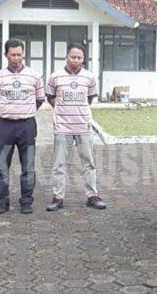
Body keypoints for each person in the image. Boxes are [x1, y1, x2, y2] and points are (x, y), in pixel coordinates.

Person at [45, 43, 105, 211]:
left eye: (79, 57)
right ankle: (58, 198)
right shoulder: (55, 77)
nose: (76, 60)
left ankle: (92, 196)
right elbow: (51, 98)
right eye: (73, 57)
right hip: (62, 128)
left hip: (84, 127)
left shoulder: (89, 78)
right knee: (59, 164)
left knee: (89, 163)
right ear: (67, 57)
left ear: (83, 59)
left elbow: (89, 100)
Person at [0, 39, 45, 214]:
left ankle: (26, 201)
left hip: (27, 126)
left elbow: (39, 100)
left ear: (24, 54)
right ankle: (1, 202)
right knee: (2, 167)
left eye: (19, 54)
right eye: (12, 54)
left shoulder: (35, 76)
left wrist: (23, 112)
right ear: (6, 55)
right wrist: (9, 111)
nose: (16, 58)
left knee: (28, 166)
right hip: (4, 126)